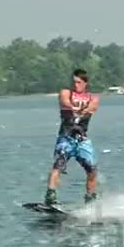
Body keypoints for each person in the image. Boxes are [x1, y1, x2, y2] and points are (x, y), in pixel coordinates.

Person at [44, 68, 100, 205]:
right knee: (58, 166)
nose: (76, 85)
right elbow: (64, 102)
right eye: (74, 82)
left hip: (82, 140)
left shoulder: (93, 98)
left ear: (85, 83)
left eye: (79, 82)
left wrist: (84, 109)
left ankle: (90, 198)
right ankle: (50, 196)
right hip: (65, 138)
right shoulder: (66, 93)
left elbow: (92, 107)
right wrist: (74, 108)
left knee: (92, 170)